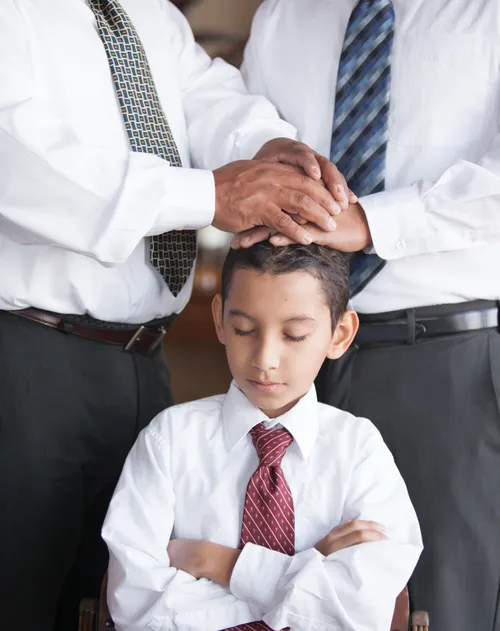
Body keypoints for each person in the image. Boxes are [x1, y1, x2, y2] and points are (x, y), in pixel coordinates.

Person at [0, 2, 356, 630]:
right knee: (18, 590)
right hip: (27, 355)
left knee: (113, 603)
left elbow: (206, 96)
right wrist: (210, 196)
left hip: (140, 362)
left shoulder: (149, 13)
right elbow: (19, 160)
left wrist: (267, 151)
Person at [237, 1, 500, 630]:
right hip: (291, 366)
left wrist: (374, 222)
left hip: (441, 365)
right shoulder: (284, 15)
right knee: (281, 595)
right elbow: (251, 165)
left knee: (439, 606)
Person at [102, 242, 422, 631]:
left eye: (295, 335)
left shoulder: (358, 449)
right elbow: (135, 606)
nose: (265, 359)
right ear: (219, 319)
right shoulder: (169, 441)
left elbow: (366, 610)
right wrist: (303, 576)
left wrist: (220, 563)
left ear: (340, 334)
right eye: (244, 329)